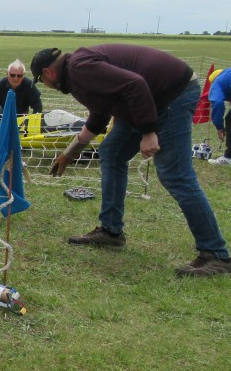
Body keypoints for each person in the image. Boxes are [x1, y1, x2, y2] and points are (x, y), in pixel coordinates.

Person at [32, 44, 230, 277]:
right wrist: (70, 152)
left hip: (172, 94)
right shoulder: (77, 72)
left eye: (41, 81)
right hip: (149, 97)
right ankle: (111, 232)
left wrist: (148, 133)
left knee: (175, 175)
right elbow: (100, 114)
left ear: (47, 73)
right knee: (113, 152)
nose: (45, 86)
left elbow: (135, 84)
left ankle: (216, 254)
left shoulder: (79, 68)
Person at [205, 67, 231, 166]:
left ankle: (228, 158)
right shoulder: (228, 73)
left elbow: (217, 103)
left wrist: (219, 126)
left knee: (229, 119)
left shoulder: (217, 82)